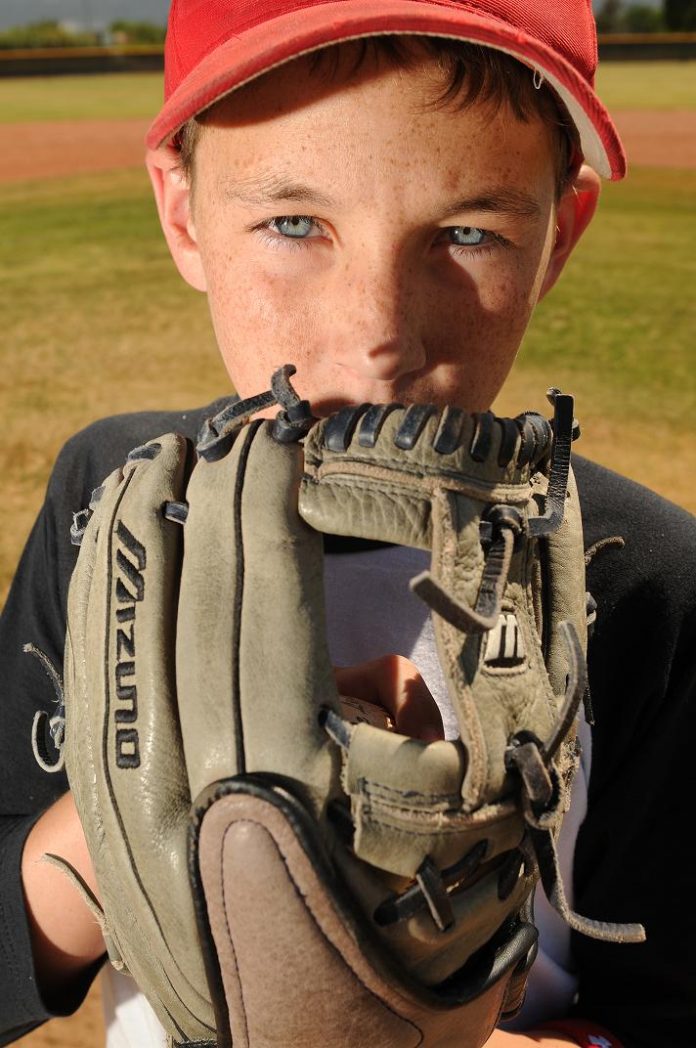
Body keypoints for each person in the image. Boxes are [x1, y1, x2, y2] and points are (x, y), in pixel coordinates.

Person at [1, 2, 694, 1046]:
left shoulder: (641, 574)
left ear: (558, 237)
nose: (377, 334)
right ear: (185, 216)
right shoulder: (115, 502)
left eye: (468, 232)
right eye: (294, 223)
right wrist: (132, 817)